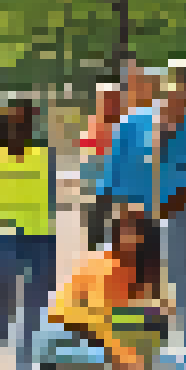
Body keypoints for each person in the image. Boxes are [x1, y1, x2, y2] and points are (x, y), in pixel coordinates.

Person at [105, 61, 186, 361]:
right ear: (166, 86)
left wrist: (168, 207)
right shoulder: (132, 125)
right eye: (178, 85)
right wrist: (125, 219)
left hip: (180, 218)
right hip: (134, 219)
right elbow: (113, 181)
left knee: (184, 289)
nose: (183, 93)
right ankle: (129, 356)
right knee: (132, 290)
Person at [42, 206, 168, 370]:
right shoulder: (105, 265)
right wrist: (132, 364)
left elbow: (129, 321)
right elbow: (96, 321)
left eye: (136, 233)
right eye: (126, 231)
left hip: (92, 334)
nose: (130, 238)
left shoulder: (137, 272)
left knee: (154, 324)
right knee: (113, 358)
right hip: (62, 335)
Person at [0, 95, 58, 370]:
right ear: (4, 119)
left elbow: (48, 197)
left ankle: (25, 367)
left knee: (34, 307)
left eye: (26, 118)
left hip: (41, 237)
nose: (20, 124)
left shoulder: (45, 154)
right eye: (15, 117)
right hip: (3, 237)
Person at [79, 83, 127, 259]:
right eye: (106, 99)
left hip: (123, 190)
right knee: (96, 236)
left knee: (120, 235)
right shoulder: (93, 125)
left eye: (113, 99)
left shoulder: (127, 124)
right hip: (99, 190)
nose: (110, 103)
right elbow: (87, 159)